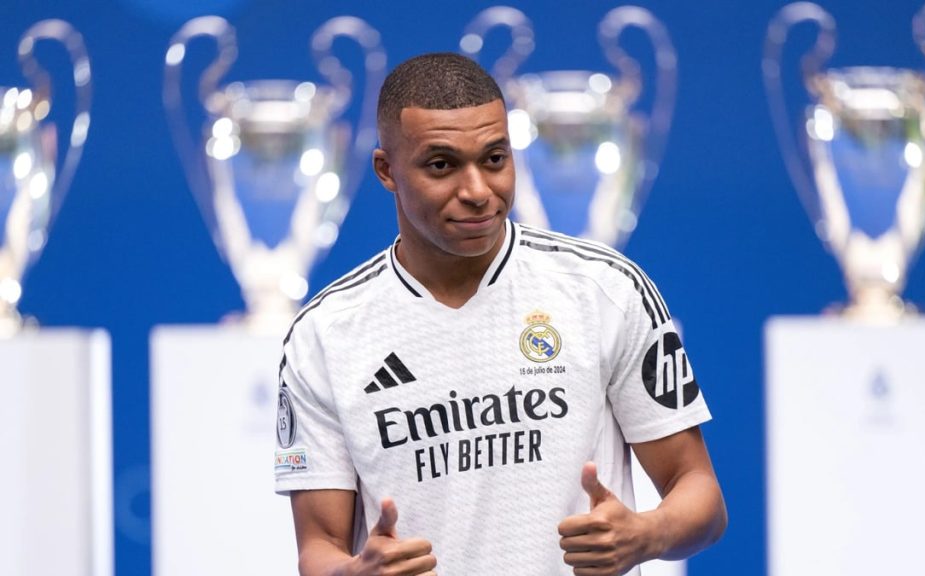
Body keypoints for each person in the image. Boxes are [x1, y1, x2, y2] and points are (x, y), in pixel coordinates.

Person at [274, 52, 726, 576]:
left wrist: (646, 535)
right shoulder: (324, 333)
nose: (477, 191)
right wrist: (354, 573)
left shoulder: (605, 290)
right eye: (441, 165)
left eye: (494, 159)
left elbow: (700, 493)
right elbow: (319, 546)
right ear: (386, 171)